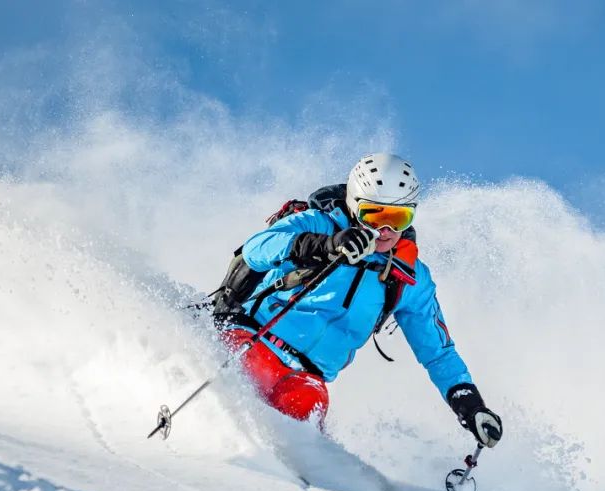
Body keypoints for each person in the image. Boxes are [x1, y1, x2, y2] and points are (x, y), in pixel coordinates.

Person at [214, 152, 502, 448]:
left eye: (399, 217)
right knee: (246, 382)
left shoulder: (407, 277)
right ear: (354, 205)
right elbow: (255, 249)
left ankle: (311, 478)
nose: (386, 230)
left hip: (306, 377)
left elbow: (437, 352)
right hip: (254, 340)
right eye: (375, 215)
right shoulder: (319, 224)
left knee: (303, 418)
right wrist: (325, 246)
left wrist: (470, 404)